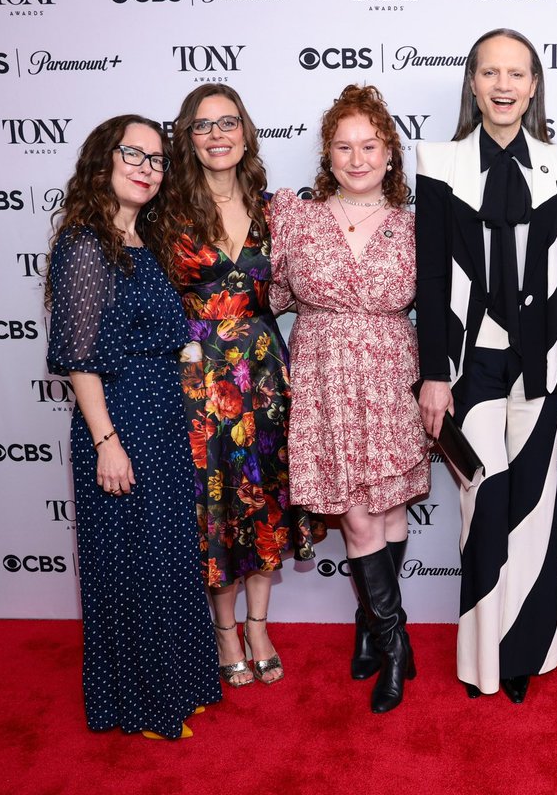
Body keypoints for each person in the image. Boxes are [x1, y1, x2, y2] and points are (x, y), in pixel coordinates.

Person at [415, 28, 557, 705]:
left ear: (533, 85)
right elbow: (431, 278)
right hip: (472, 366)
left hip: (545, 362)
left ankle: (526, 655)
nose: (503, 85)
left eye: (516, 73)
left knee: (535, 509)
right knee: (481, 504)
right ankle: (480, 660)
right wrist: (435, 372)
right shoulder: (437, 162)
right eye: (490, 72)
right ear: (471, 82)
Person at [46, 115, 221, 739]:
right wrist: (105, 442)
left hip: (162, 420)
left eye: (157, 159)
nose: (147, 168)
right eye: (134, 155)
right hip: (119, 421)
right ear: (102, 163)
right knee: (129, 565)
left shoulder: (141, 240)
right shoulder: (86, 244)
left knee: (166, 559)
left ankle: (177, 685)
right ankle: (140, 704)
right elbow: (79, 356)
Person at [270, 84, 429, 714]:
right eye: (344, 146)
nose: (357, 158)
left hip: (392, 375)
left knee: (389, 511)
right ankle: (395, 645)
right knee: (358, 517)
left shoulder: (417, 225)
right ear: (326, 154)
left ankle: (371, 627)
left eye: (370, 145)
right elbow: (269, 298)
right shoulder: (295, 218)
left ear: (390, 153)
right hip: (325, 378)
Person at [165, 83, 322, 689]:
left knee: (262, 502)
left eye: (227, 122)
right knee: (215, 508)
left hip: (262, 376)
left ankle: (260, 625)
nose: (217, 135)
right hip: (198, 381)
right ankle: (225, 631)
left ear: (246, 131)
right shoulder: (168, 212)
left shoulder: (271, 208)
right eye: (203, 126)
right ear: (189, 137)